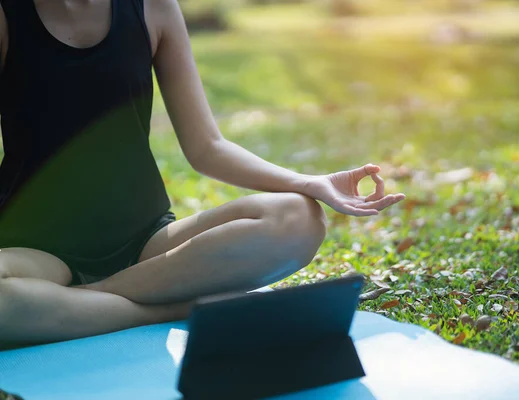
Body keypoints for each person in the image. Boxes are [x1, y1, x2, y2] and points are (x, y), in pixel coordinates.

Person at [0, 0, 405, 347]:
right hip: (38, 250)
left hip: (147, 241)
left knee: (298, 218)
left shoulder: (153, 8)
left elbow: (207, 148)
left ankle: (81, 302)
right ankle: (175, 307)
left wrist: (307, 183)